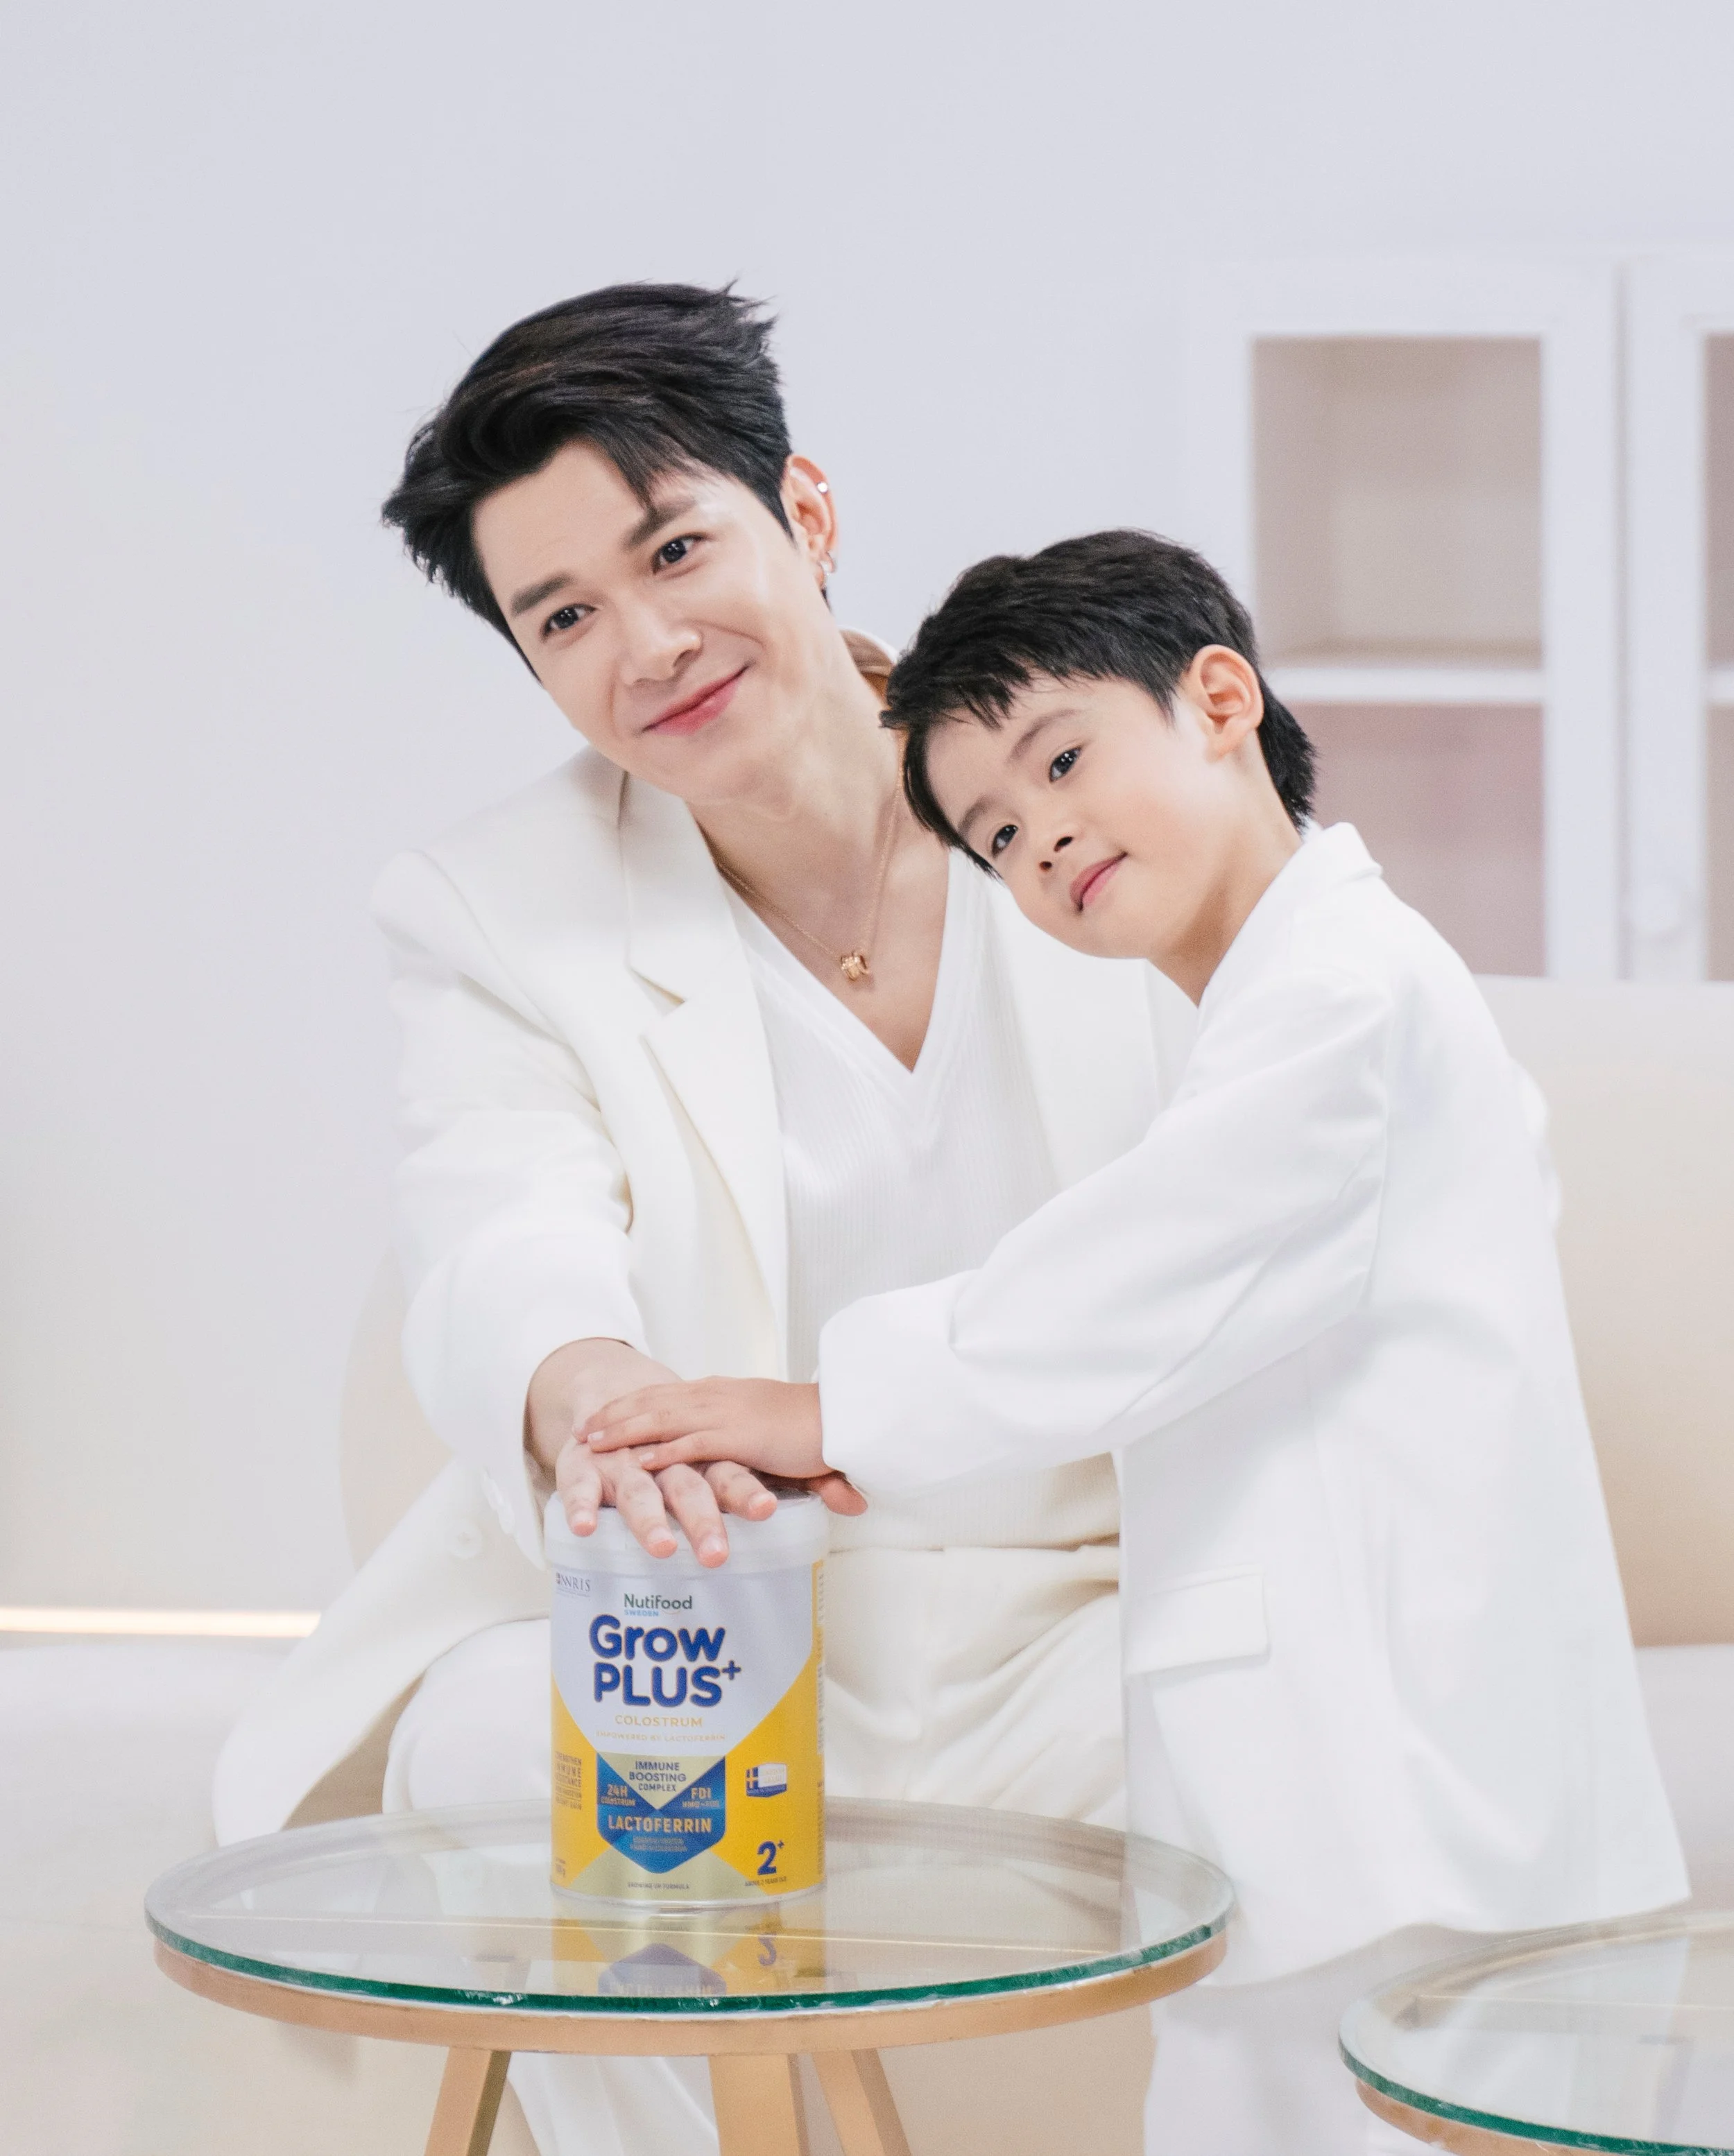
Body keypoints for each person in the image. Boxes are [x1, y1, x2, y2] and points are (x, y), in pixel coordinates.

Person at [212, 292, 1200, 2156]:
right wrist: (586, 1384)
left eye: (673, 550)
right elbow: (494, 1207)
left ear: (804, 511)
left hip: (1106, 1612)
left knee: (1291, 1695)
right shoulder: (493, 905)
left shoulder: (1085, 763)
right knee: (490, 1739)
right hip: (733, 1619)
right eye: (562, 617)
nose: (645, 645)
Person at [583, 529, 1690, 2156]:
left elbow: (1137, 1276)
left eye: (1062, 760)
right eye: (996, 834)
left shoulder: (1343, 993)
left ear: (1220, 701)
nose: (1041, 839)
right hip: (1334, 1791)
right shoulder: (1278, 1007)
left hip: (1402, 1796)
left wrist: (825, 1409)